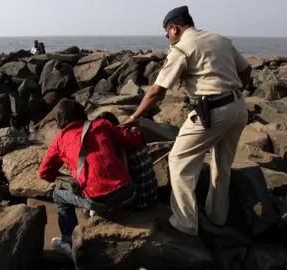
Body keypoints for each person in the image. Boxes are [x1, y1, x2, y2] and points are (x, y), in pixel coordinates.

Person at [120, 6, 251, 237]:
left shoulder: (182, 48)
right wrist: (234, 90)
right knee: (222, 164)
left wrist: (134, 117)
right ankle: (217, 217)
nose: (167, 37)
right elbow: (246, 69)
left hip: (212, 111)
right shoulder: (219, 39)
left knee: (179, 161)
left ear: (174, 28)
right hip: (238, 107)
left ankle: (185, 224)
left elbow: (157, 91)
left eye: (167, 33)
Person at [39, 99, 143, 258]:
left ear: (59, 120)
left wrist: (67, 179)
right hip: (128, 193)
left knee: (58, 194)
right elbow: (133, 139)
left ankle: (67, 241)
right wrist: (136, 128)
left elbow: (44, 173)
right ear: (82, 112)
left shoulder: (60, 140)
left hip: (98, 200)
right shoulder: (102, 124)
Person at [96, 112, 158, 210]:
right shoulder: (132, 136)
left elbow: (124, 179)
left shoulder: (120, 148)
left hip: (139, 203)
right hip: (152, 196)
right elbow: (138, 124)